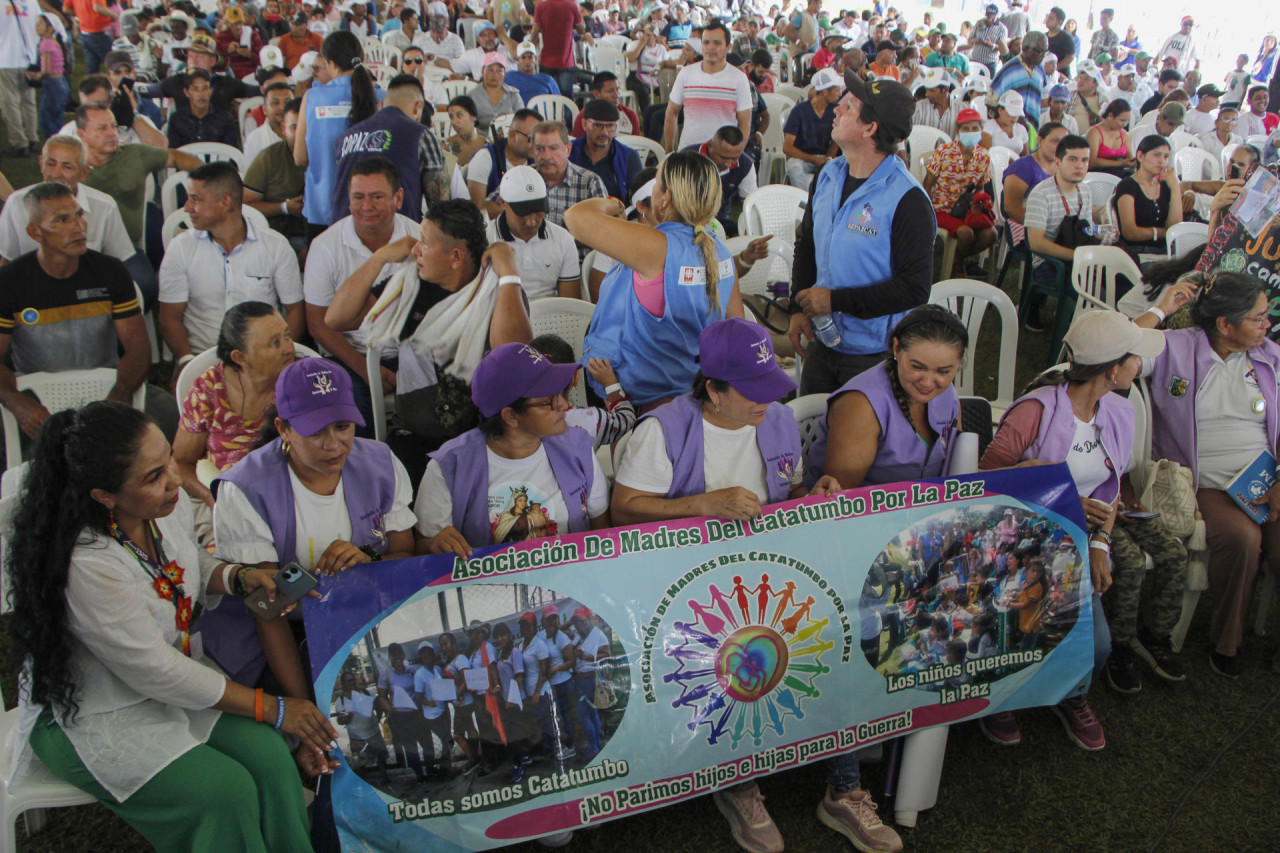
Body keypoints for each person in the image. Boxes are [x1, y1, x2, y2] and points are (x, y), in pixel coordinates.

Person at [8, 400, 338, 852]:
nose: (176, 481)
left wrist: (237, 576)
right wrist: (277, 708)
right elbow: (156, 670)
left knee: (270, 759)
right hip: (94, 709)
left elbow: (188, 565)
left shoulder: (165, 506)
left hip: (168, 685)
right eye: (153, 476)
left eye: (168, 459)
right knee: (222, 793)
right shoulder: (87, 564)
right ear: (104, 497)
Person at [611, 318, 854, 853]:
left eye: (771, 385)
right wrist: (702, 505)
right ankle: (739, 784)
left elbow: (789, 492)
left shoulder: (779, 420)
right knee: (736, 658)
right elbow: (622, 510)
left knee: (839, 632)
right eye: (752, 391)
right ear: (713, 389)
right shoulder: (663, 429)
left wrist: (815, 493)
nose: (766, 401)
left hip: (765, 577)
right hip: (685, 587)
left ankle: (843, 782)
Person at [208, 357, 418, 696]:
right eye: (315, 432)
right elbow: (268, 609)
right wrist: (305, 703)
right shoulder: (247, 489)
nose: (333, 444)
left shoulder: (380, 464)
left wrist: (369, 566)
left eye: (343, 427)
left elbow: (405, 554)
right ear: (283, 429)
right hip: (285, 634)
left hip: (361, 616)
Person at [1132, 273, 1280, 677]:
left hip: (1267, 478)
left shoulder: (1270, 357)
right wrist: (1163, 308)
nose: (1268, 324)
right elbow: (1115, 348)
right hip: (1209, 482)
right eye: (1258, 318)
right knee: (1242, 538)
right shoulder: (1177, 349)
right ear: (1225, 324)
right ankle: (1227, 642)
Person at [325, 200, 532, 456]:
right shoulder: (413, 285)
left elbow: (515, 357)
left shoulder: (496, 287)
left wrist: (510, 274)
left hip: (486, 438)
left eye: (425, 242)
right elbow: (336, 319)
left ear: (455, 257)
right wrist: (380, 258)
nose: (415, 250)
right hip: (417, 437)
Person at [790, 71, 933, 395]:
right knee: (811, 438)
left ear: (870, 128)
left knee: (854, 443)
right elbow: (807, 243)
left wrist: (834, 301)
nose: (837, 110)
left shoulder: (907, 199)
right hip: (821, 339)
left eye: (850, 107)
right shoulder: (828, 173)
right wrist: (798, 307)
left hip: (874, 355)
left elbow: (914, 288)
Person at [0, 182, 177, 441]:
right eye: (62, 219)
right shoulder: (9, 281)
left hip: (106, 388)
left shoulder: (111, 271)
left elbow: (138, 347)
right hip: (36, 395)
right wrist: (16, 401)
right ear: (35, 232)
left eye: (79, 215)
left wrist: (121, 392)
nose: (79, 227)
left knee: (166, 410)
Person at [569, 150, 744, 410]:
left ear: (665, 198)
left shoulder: (657, 246)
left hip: (639, 397)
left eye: (657, 184)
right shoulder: (721, 251)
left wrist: (617, 203)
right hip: (691, 393)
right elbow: (736, 327)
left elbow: (576, 217)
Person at [414, 340, 610, 556]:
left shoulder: (577, 448)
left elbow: (600, 532)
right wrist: (433, 544)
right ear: (511, 416)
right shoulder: (449, 467)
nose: (564, 405)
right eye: (549, 401)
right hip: (487, 588)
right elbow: (425, 548)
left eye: (561, 393)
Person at [304, 157, 420, 431]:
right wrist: (366, 369)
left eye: (377, 197)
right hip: (348, 353)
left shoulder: (419, 237)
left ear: (398, 198)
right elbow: (318, 324)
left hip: (411, 351)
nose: (366, 207)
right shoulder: (325, 247)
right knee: (352, 413)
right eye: (358, 197)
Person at [804, 304, 967, 493]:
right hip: (863, 516)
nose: (929, 382)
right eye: (917, 367)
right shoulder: (861, 406)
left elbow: (958, 467)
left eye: (944, 371)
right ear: (897, 349)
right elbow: (839, 499)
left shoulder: (947, 393)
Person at [158, 162, 305, 367]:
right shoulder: (181, 248)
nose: (186, 207)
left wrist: (282, 356)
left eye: (195, 199)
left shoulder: (275, 246)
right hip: (201, 359)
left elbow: (296, 310)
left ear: (225, 202)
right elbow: (169, 317)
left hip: (262, 360)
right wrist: (186, 361)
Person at [175, 301, 295, 512]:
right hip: (221, 500)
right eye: (275, 343)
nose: (288, 348)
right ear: (240, 357)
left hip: (287, 497)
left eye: (287, 336)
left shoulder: (299, 383)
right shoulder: (210, 388)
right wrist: (212, 497)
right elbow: (182, 462)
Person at [76, 103, 203, 253]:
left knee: (148, 277)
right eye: (102, 128)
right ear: (82, 134)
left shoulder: (134, 154)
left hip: (128, 250)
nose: (112, 133)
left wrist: (208, 179)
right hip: (82, 250)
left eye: (114, 126)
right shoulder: (70, 165)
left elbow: (175, 157)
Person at [0, 136, 134, 272]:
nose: (56, 174)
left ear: (84, 172)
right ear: (41, 163)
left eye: (67, 167)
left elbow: (118, 262)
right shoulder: (16, 203)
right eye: (51, 164)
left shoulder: (105, 206)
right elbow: (7, 260)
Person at [294, 30, 380, 236]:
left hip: (322, 208)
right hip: (371, 208)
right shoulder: (379, 95)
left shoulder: (312, 97)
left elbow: (299, 158)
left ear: (329, 62)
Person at [332, 73, 445, 222]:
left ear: (382, 105)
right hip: (395, 235)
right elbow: (439, 207)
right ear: (418, 106)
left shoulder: (346, 137)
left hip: (342, 232)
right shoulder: (422, 136)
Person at [487, 166, 581, 300]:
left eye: (538, 213)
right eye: (522, 214)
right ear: (502, 203)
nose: (531, 222)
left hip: (552, 317)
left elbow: (570, 304)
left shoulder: (563, 239)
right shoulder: (485, 239)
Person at [924, 108, 995, 279]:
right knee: (966, 233)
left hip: (966, 210)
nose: (970, 133)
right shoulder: (944, 152)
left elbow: (980, 188)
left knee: (991, 234)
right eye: (966, 129)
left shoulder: (983, 156)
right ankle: (958, 266)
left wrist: (978, 203)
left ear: (981, 131)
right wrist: (925, 212)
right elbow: (927, 184)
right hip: (941, 208)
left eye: (975, 129)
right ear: (957, 131)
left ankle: (957, 258)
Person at [1022, 131, 1093, 300]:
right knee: (1091, 294)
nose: (1080, 166)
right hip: (1049, 263)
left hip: (1077, 255)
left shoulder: (1085, 190)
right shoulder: (1041, 194)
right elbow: (1036, 243)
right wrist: (1077, 256)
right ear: (1057, 162)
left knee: (1115, 284)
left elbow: (1087, 231)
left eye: (1085, 160)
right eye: (1073, 159)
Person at [664, 21, 753, 152]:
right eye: (706, 42)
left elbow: (745, 123)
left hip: (722, 155)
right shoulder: (686, 73)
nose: (710, 47)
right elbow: (671, 112)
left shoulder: (739, 78)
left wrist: (734, 155)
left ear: (728, 47)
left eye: (717, 43)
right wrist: (669, 151)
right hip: (689, 153)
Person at [244, 97, 307, 242]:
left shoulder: (328, 155)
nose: (301, 134)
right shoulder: (268, 158)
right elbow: (246, 206)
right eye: (294, 127)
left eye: (307, 127)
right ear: (284, 129)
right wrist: (284, 207)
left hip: (321, 235)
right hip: (278, 236)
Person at [530, 121, 608, 229]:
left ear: (568, 149)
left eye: (553, 148)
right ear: (532, 151)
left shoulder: (590, 182)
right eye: (540, 149)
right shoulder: (521, 178)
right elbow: (498, 208)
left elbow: (605, 229)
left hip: (577, 245)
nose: (546, 156)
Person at [1114, 134, 1182, 255]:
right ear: (1140, 156)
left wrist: (1176, 189)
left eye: (1166, 156)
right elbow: (1130, 232)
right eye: (1156, 155)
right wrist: (1159, 232)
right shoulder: (1127, 185)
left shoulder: (1165, 185)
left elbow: (1174, 228)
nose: (1162, 161)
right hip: (1137, 251)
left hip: (1165, 251)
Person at [569, 98, 644, 203]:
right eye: (598, 126)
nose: (604, 132)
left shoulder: (628, 157)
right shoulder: (568, 152)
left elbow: (639, 199)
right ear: (584, 124)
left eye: (610, 126)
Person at [468, 107, 539, 217]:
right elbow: (476, 209)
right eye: (531, 139)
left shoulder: (537, 159)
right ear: (512, 135)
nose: (536, 145)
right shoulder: (484, 158)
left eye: (539, 140)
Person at [689, 125, 758, 237]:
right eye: (723, 157)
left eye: (735, 158)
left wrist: (749, 232)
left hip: (719, 221)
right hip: (687, 220)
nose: (728, 163)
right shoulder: (688, 158)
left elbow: (751, 205)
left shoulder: (746, 165)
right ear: (710, 146)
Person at [1002, 122, 1067, 241]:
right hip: (1028, 228)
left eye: (1064, 143)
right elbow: (1011, 207)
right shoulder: (1022, 167)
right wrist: (1042, 227)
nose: (1060, 147)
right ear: (1040, 140)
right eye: (1055, 141)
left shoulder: (1063, 168)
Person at [783, 67, 842, 190]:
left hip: (825, 157)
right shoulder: (799, 111)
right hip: (803, 158)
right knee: (794, 167)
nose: (839, 94)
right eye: (837, 90)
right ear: (825, 92)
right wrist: (814, 160)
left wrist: (828, 159)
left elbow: (836, 140)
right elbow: (787, 147)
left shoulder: (836, 110)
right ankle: (806, 199)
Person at [530, 0, 588, 97]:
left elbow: (535, 32)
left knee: (545, 98)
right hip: (566, 61)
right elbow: (581, 29)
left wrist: (531, 50)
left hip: (546, 60)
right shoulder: (572, 5)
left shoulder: (541, 6)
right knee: (567, 100)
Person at [992, 31, 1048, 126]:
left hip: (1032, 127)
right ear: (1025, 48)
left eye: (1045, 51)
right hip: (1009, 127)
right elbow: (992, 101)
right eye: (1038, 51)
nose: (1042, 55)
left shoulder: (1040, 70)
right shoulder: (1009, 70)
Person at [467, 52, 524, 137]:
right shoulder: (472, 96)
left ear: (504, 73)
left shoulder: (513, 95)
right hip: (481, 140)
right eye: (490, 69)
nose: (494, 74)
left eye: (499, 70)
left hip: (509, 139)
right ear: (483, 71)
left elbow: (522, 121)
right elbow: (468, 124)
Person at [571, 71, 642, 137]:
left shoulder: (630, 115)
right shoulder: (585, 117)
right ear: (596, 94)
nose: (616, 95)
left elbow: (638, 146)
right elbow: (578, 147)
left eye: (617, 90)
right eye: (610, 91)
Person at [242, 81, 293, 166]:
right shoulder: (254, 140)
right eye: (275, 103)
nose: (282, 107)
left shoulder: (306, 135)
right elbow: (252, 177)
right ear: (265, 109)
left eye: (287, 102)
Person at [1086, 100, 1133, 176]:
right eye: (1122, 120)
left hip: (1120, 174)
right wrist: (1120, 164)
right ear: (1110, 116)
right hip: (1098, 175)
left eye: (1127, 121)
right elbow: (1092, 162)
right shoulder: (1094, 132)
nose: (1125, 124)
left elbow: (1130, 157)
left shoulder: (1124, 134)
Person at [912, 67, 958, 137]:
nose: (927, 94)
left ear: (945, 90)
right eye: (926, 90)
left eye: (931, 90)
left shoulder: (961, 109)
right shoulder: (918, 108)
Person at [444, 95, 488, 166]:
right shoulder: (444, 148)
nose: (454, 122)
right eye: (451, 117)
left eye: (459, 115)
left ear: (473, 116)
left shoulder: (488, 146)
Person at [965, 4, 1006, 76]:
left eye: (992, 17)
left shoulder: (1002, 29)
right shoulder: (979, 23)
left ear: (997, 15)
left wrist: (991, 45)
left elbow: (1002, 49)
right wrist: (977, 40)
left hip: (990, 64)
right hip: (975, 61)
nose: (990, 19)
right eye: (988, 16)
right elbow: (969, 40)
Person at [984, 90, 1030, 156]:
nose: (1014, 118)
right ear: (1000, 110)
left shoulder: (1021, 129)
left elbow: (1025, 157)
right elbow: (986, 155)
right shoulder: (988, 127)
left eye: (1017, 114)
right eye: (1011, 114)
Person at [1043, 7, 1075, 77]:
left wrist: (1054, 67)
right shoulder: (1044, 36)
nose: (1047, 20)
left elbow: (1070, 57)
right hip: (1045, 75)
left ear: (1059, 22)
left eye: (1051, 18)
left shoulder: (1066, 38)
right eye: (1048, 17)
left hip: (1060, 76)